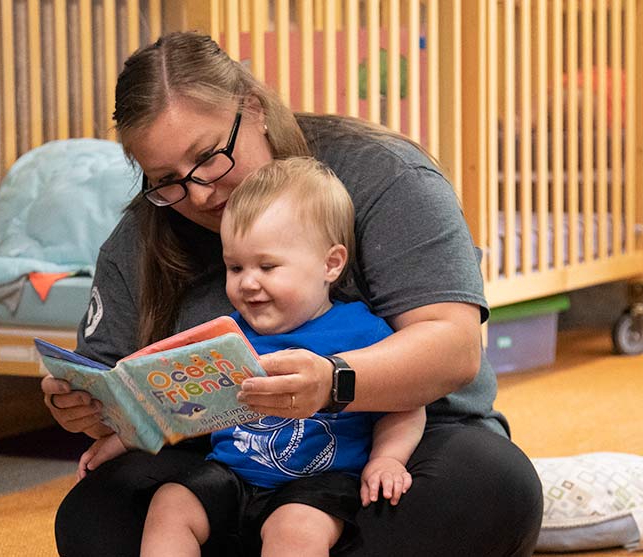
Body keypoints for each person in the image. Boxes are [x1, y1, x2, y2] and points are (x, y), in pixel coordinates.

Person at [43, 31, 543, 557]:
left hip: (392, 444)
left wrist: (336, 383)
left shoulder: (385, 176)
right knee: (93, 516)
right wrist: (82, 406)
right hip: (224, 462)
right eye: (167, 179)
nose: (199, 193)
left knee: (492, 488)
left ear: (253, 109)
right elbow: (109, 381)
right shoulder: (144, 233)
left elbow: (453, 347)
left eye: (209, 157)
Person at [78, 158, 426, 557]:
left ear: (331, 264)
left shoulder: (363, 332)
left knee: (295, 530)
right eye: (235, 266)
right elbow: (178, 403)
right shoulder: (225, 335)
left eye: (267, 266)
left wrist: (387, 460)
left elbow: (404, 402)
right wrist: (125, 437)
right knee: (171, 503)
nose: (248, 282)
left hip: (319, 483)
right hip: (232, 473)